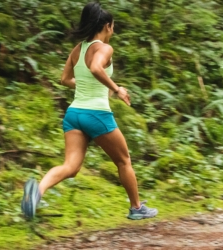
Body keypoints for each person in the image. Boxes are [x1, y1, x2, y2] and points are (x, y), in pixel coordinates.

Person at [21, 2, 158, 220]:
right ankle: (136, 208)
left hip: (74, 114)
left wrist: (90, 85)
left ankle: (36, 192)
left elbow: (64, 79)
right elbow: (95, 67)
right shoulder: (104, 48)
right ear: (106, 26)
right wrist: (117, 89)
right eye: (113, 26)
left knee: (71, 166)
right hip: (96, 114)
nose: (113, 30)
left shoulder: (77, 49)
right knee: (124, 161)